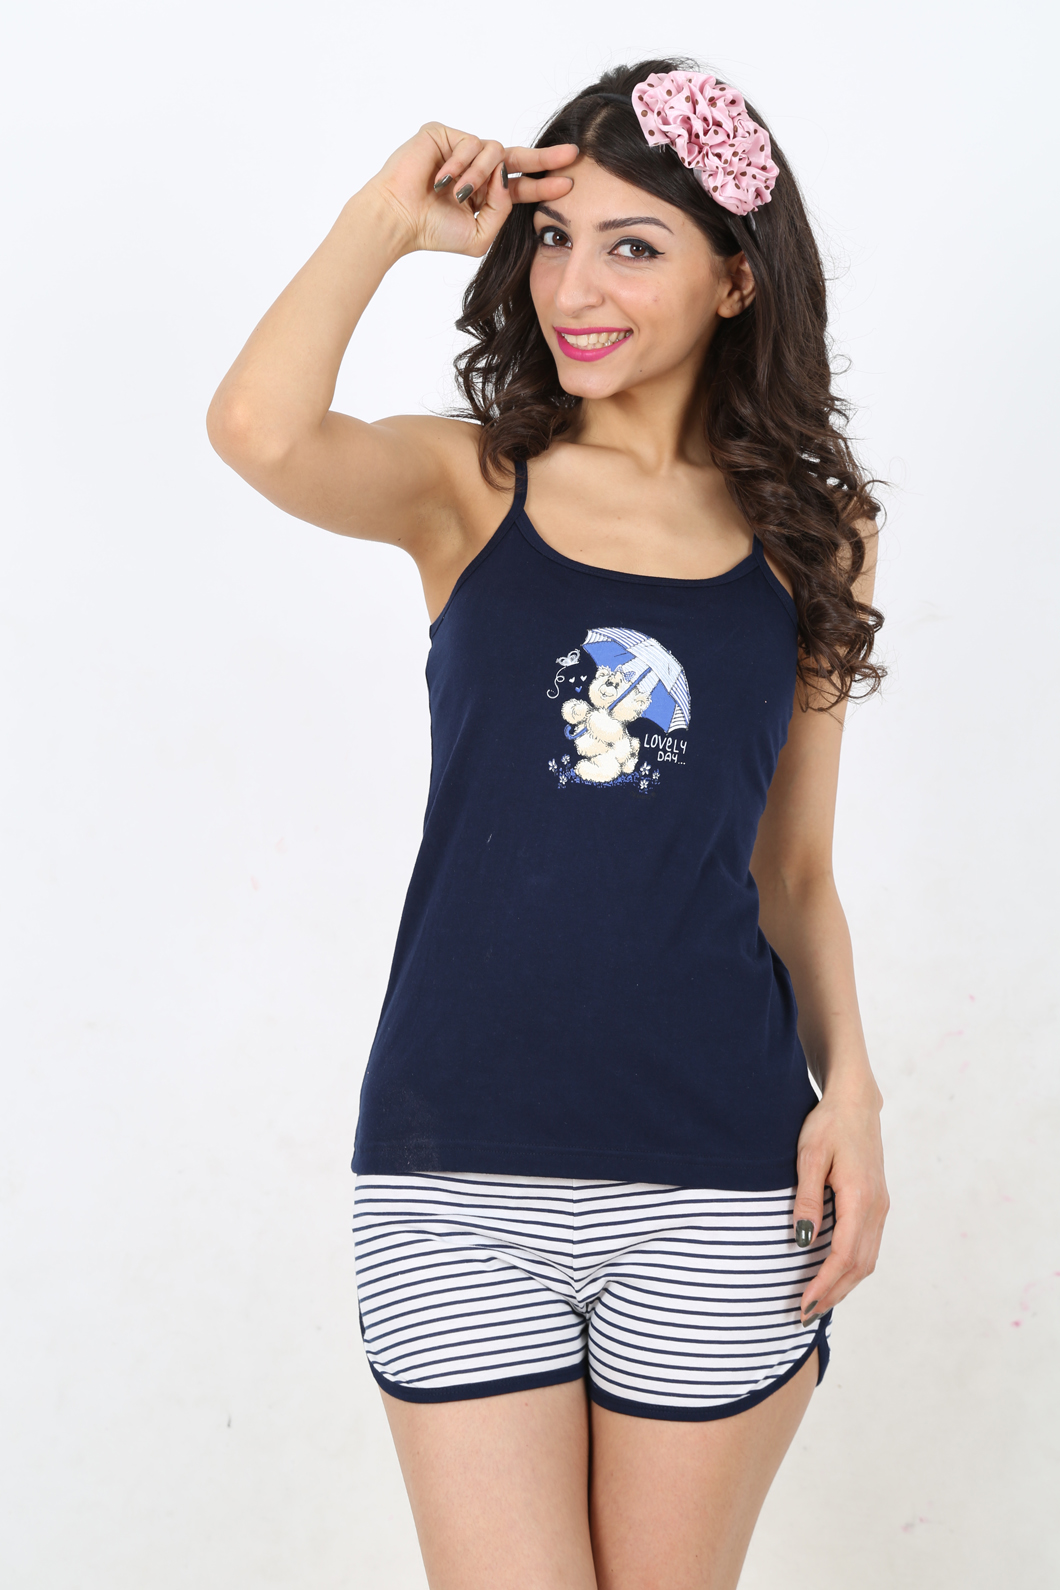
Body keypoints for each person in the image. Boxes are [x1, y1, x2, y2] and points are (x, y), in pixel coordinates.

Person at [208, 56, 890, 1590]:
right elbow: (258, 429)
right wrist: (387, 219)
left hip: (725, 1179)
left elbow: (792, 871)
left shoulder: (814, 536)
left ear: (735, 279)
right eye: (555, 238)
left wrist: (853, 1090)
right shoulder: (471, 485)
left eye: (633, 246)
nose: (575, 287)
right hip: (455, 1170)